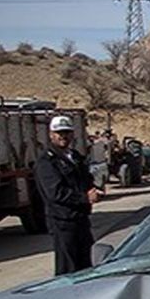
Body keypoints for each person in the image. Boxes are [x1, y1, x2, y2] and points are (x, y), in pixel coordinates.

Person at [34, 115, 101, 276]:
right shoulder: (46, 162)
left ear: (72, 134)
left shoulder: (76, 157)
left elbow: (86, 180)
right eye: (59, 133)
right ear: (51, 134)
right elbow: (55, 193)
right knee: (68, 268)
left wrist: (94, 190)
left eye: (66, 132)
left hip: (81, 219)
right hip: (63, 222)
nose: (63, 136)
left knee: (86, 265)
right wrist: (84, 198)